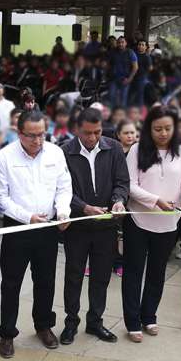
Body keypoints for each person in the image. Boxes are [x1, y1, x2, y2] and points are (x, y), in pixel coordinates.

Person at [0, 110, 72, 358]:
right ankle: (7, 333)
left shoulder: (55, 153)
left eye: (42, 135)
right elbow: (1, 198)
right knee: (11, 283)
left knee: (46, 280)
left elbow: (64, 186)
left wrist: (63, 211)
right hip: (18, 228)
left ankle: (43, 325)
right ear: (19, 132)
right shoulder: (4, 157)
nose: (38, 141)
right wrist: (28, 217)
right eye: (32, 136)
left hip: (48, 227)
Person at [123, 105, 181, 343]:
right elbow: (130, 185)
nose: (163, 133)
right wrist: (155, 201)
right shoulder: (136, 150)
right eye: (157, 129)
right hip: (138, 220)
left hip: (168, 223)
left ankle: (149, 316)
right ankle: (132, 322)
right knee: (133, 272)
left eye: (167, 128)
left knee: (157, 272)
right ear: (148, 129)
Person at [60, 108, 129, 345]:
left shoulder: (114, 148)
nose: (92, 138)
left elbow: (122, 181)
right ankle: (71, 322)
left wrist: (118, 200)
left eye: (97, 132)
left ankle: (95, 322)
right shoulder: (65, 152)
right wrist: (84, 207)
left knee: (101, 276)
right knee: (74, 275)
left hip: (106, 226)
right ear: (77, 129)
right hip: (78, 226)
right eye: (87, 133)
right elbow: (61, 191)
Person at [107, 36, 138, 108]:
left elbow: (135, 67)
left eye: (122, 42)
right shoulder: (113, 52)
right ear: (117, 43)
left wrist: (130, 79)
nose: (120, 44)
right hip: (114, 78)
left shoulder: (130, 52)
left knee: (123, 98)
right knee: (111, 96)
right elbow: (108, 64)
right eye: (119, 42)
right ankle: (112, 114)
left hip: (125, 78)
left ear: (126, 43)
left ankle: (122, 115)